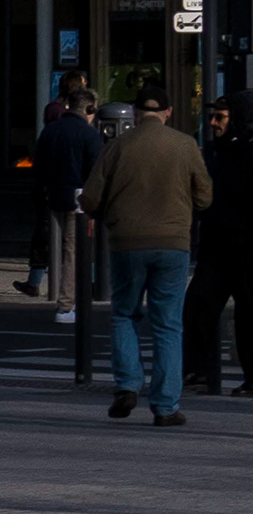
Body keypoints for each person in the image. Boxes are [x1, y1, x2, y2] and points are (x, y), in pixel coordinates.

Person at [88, 81, 209, 424]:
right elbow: (205, 197)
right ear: (168, 112)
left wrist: (106, 213)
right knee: (168, 325)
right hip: (173, 244)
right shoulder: (185, 145)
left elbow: (92, 197)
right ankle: (166, 406)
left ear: (137, 114)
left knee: (124, 315)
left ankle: (127, 385)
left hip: (127, 243)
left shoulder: (118, 146)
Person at [195, 93, 253, 395]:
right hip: (217, 247)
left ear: (237, 120)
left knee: (250, 314)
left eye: (221, 117)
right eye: (213, 116)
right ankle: (197, 372)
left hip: (245, 249)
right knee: (199, 306)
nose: (213, 123)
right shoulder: (217, 154)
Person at [30, 88, 100, 316]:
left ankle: (65, 301)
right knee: (72, 252)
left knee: (59, 250)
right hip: (78, 200)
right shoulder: (89, 135)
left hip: (52, 196)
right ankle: (66, 304)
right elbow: (95, 171)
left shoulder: (50, 131)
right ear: (90, 109)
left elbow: (38, 167)